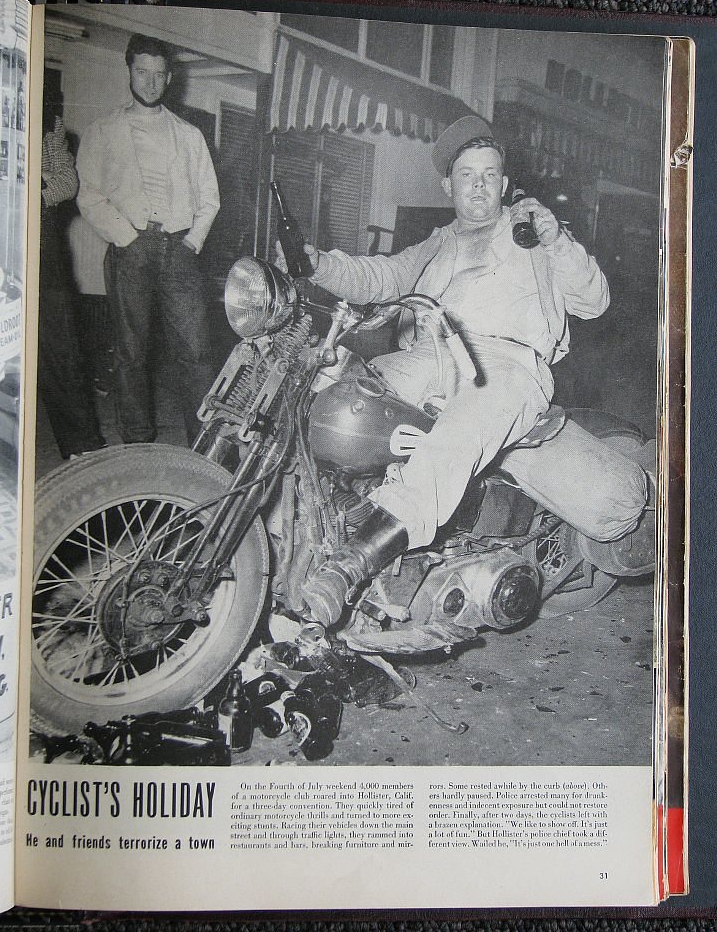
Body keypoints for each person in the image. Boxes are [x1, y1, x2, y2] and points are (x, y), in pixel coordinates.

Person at [298, 115, 612, 627]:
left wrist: (558, 242)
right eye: (468, 175)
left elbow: (594, 301)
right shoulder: (438, 242)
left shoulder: (531, 230)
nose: (480, 186)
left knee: (460, 431)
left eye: (490, 174)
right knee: (347, 393)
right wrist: (317, 265)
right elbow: (381, 275)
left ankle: (354, 562)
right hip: (438, 356)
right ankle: (328, 516)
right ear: (449, 185)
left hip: (507, 363)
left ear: (505, 183)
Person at [76, 34, 220, 444]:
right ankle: (138, 445)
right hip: (129, 249)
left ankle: (205, 444)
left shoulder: (190, 135)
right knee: (130, 355)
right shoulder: (103, 130)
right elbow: (90, 195)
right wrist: (127, 239)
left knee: (196, 353)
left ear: (170, 78)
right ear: (130, 72)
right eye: (143, 72)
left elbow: (210, 198)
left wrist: (192, 242)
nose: (151, 82)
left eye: (159, 74)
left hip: (179, 250)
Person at [38, 111, 106, 461]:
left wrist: (31, 183)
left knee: (59, 342)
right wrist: (40, 176)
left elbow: (68, 181)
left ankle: (82, 449)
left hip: (40, 238)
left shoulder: (49, 117)